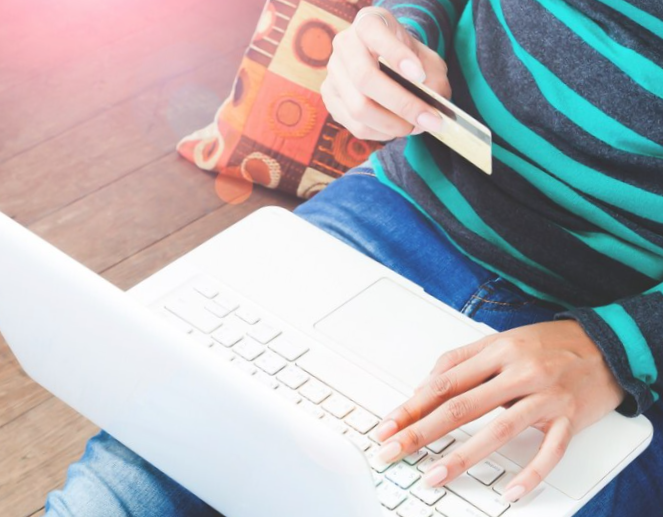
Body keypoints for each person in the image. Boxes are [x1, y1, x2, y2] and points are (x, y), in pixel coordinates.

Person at [44, 1, 663, 515]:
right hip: (403, 202)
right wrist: (396, 37)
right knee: (121, 493)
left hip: (626, 331)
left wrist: (617, 349)